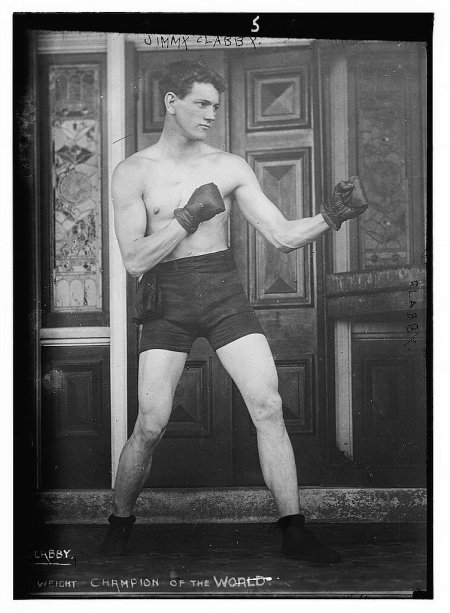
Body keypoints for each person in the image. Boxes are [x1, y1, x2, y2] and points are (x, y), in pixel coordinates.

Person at [100, 60, 368, 563]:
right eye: (201, 103)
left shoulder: (228, 166)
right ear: (170, 102)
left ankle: (293, 530)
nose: (210, 115)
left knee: (268, 405)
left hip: (223, 294)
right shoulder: (132, 171)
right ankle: (119, 523)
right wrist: (185, 218)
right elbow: (135, 260)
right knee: (152, 424)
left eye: (216, 107)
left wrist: (334, 216)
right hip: (167, 301)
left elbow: (283, 236)